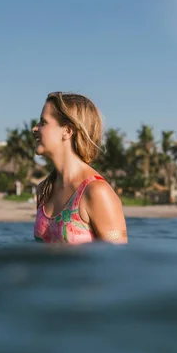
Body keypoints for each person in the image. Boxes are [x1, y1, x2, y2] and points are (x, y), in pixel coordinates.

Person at [32, 91, 127, 245]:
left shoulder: (96, 192)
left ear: (67, 131)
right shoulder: (44, 190)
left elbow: (119, 260)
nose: (34, 128)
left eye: (43, 122)